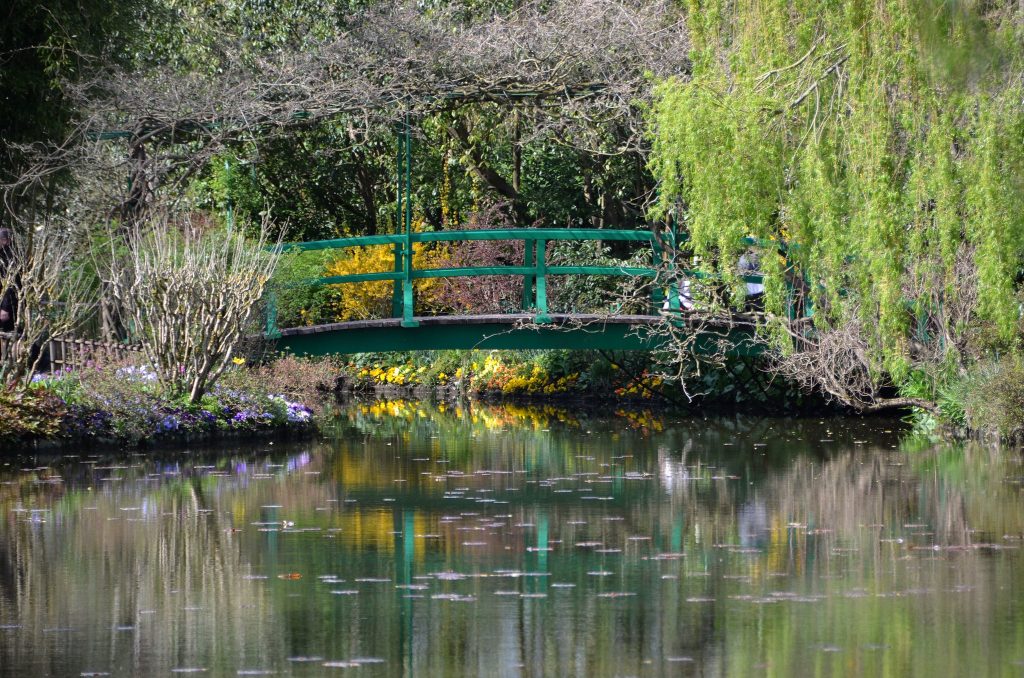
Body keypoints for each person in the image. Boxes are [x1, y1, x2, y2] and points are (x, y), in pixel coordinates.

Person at [0, 229, 17, 332]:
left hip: (8, 302)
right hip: (4, 299)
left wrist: (5, 307)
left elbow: (11, 283)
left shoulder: (11, 256)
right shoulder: (2, 254)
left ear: (5, 240)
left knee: (7, 331)